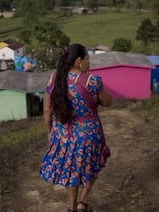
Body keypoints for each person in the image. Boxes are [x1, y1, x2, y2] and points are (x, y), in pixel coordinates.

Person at [39, 43, 112, 212]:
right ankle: (82, 202)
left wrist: (50, 132)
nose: (89, 63)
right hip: (89, 135)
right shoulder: (92, 81)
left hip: (63, 134)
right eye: (87, 59)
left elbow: (47, 110)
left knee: (71, 172)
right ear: (79, 61)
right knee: (92, 167)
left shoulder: (54, 79)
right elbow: (108, 102)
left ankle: (71, 207)